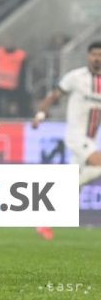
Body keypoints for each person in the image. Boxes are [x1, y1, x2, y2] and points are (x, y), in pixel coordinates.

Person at [31, 41, 101, 240]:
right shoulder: (76, 77)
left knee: (77, 182)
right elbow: (54, 96)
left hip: (90, 139)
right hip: (76, 136)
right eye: (94, 54)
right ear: (88, 56)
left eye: (100, 55)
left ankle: (44, 222)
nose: (97, 58)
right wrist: (40, 115)